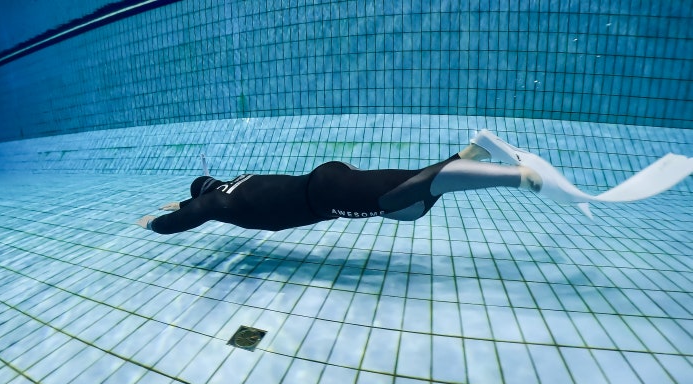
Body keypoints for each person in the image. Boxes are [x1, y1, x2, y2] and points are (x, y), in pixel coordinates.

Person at [136, 130, 693, 233]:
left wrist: (156, 222)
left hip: (324, 195)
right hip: (327, 182)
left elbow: (194, 214)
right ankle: (476, 151)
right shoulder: (235, 183)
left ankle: (516, 177)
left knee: (399, 201)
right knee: (411, 204)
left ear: (205, 191)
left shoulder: (219, 204)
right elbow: (200, 200)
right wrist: (182, 203)